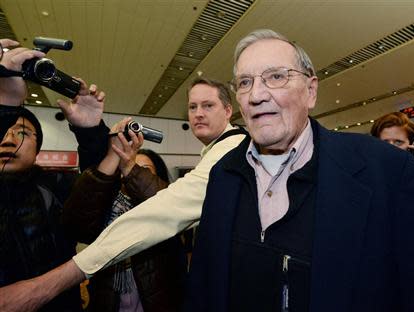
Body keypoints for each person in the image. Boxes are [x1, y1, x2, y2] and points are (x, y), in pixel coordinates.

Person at [183, 29, 414, 311]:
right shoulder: (223, 174)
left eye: (276, 76)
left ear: (311, 91)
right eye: (245, 82)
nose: (256, 95)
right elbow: (203, 286)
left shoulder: (386, 171)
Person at [0, 77, 247, 311]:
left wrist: (50, 283)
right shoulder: (218, 153)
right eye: (192, 107)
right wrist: (108, 150)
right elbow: (82, 215)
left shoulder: (230, 151)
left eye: (208, 105)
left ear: (228, 111)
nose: (198, 113)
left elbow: (163, 209)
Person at [0, 38, 108, 312]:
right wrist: (5, 103)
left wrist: (90, 133)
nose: (8, 141)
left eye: (22, 133)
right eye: (3, 130)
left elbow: (98, 192)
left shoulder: (57, 185)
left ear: (38, 149)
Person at [62, 117, 186, 312]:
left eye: (143, 170)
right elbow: (76, 222)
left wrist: (131, 168)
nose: (130, 172)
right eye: (125, 168)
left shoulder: (165, 201)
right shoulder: (104, 205)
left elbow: (167, 203)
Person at [370, 112, 414, 209]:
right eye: (384, 143)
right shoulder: (369, 176)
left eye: (398, 142)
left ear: (412, 146)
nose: (390, 148)